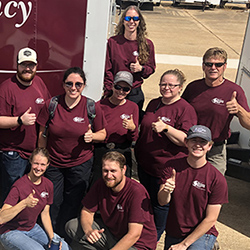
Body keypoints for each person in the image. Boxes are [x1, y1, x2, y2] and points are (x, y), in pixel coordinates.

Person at [37, 67, 106, 239]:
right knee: (52, 202)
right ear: (63, 85)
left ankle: (65, 237)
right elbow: (42, 133)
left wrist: (93, 136)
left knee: (73, 202)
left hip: (80, 164)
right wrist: (41, 157)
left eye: (78, 84)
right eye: (69, 83)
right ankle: (49, 236)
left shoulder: (91, 106)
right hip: (54, 164)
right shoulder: (52, 105)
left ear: (84, 86)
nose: (73, 88)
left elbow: (103, 134)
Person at [135, 69, 197, 240]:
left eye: (171, 85)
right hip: (146, 166)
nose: (166, 87)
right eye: (163, 84)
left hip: (165, 169)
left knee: (160, 207)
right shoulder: (154, 103)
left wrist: (167, 128)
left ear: (180, 87)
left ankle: (150, 241)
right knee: (145, 205)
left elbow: (186, 140)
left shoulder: (185, 109)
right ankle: (143, 237)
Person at [65, 151, 157, 250]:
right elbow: (87, 211)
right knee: (72, 226)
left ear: (124, 170)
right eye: (105, 171)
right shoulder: (101, 184)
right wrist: (89, 231)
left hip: (136, 245)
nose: (109, 176)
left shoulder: (136, 192)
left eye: (113, 171)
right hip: (113, 235)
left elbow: (134, 234)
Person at [158, 125, 228, 250]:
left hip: (202, 232)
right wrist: (166, 190)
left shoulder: (217, 179)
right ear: (186, 142)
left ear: (209, 146)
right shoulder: (172, 167)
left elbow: (211, 219)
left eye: (203, 142)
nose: (198, 145)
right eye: (193, 140)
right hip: (175, 232)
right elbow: (162, 201)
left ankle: (209, 244)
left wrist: (184, 245)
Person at [182, 47, 250, 175]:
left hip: (216, 149)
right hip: (192, 146)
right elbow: (179, 112)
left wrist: (239, 110)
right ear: (203, 66)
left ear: (224, 67)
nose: (213, 67)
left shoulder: (234, 90)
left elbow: (248, 124)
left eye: (218, 64)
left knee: (214, 183)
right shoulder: (193, 87)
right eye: (209, 64)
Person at [0, 47, 51, 205]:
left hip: (34, 152)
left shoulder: (39, 83)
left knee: (30, 196)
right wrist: (19, 120)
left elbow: (48, 108)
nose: (27, 69)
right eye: (23, 65)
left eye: (31, 65)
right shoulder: (7, 88)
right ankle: (5, 227)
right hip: (13, 154)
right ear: (17, 65)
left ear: (36, 66)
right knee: (11, 195)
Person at [0, 148, 71, 250]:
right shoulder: (19, 186)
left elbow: (45, 213)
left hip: (32, 228)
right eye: (36, 163)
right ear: (30, 162)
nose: (38, 168)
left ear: (47, 165)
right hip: (10, 230)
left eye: (42, 164)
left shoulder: (48, 184)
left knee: (63, 247)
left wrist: (52, 237)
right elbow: (2, 218)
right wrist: (24, 203)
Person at [104, 5, 156, 122]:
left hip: (134, 92)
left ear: (139, 22)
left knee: (130, 126)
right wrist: (110, 90)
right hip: (115, 91)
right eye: (128, 18)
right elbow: (107, 69)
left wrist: (141, 68)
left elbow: (151, 68)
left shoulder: (147, 44)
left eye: (135, 19)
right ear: (123, 21)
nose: (131, 22)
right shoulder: (113, 42)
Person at [91, 71, 139, 186]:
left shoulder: (133, 107)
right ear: (112, 86)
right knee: (97, 184)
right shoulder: (99, 105)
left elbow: (134, 137)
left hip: (122, 150)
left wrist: (132, 128)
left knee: (121, 185)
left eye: (125, 89)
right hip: (101, 150)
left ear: (130, 90)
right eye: (118, 87)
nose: (121, 91)